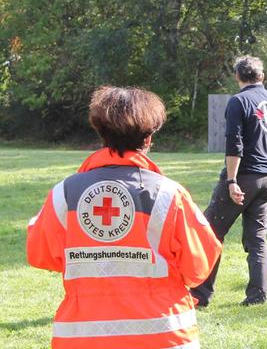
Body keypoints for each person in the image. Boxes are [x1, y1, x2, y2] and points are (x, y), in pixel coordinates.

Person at [27, 86, 222, 349]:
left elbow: (41, 255)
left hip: (83, 338)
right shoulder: (170, 194)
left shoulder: (63, 193)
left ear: (101, 133)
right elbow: (199, 266)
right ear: (149, 138)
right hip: (164, 336)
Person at [192, 56, 267, 307]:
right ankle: (258, 295)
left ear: (237, 76)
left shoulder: (238, 102)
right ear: (262, 76)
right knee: (257, 239)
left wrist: (232, 181)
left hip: (243, 176)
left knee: (209, 233)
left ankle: (199, 295)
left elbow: (235, 144)